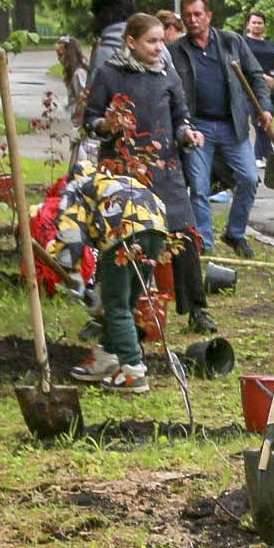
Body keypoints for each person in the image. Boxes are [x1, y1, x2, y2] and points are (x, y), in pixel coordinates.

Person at [82, 13, 215, 334]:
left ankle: (197, 310)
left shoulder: (167, 74)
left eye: (161, 41)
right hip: (122, 170)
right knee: (118, 241)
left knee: (182, 236)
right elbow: (90, 119)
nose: (159, 47)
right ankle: (106, 314)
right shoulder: (109, 74)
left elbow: (181, 118)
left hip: (165, 169)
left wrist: (188, 134)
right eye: (151, 41)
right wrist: (107, 125)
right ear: (131, 41)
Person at [55, 164, 172, 393]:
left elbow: (70, 233)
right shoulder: (116, 181)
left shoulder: (76, 188)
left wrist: (74, 275)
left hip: (122, 233)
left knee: (116, 304)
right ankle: (108, 355)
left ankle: (133, 371)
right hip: (157, 231)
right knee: (127, 301)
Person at [170, 0, 272, 255]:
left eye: (197, 14)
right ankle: (204, 242)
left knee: (249, 179)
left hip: (232, 125)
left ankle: (235, 233)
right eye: (187, 15)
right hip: (197, 127)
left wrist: (265, 108)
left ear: (209, 16)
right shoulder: (176, 51)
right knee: (199, 185)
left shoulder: (231, 42)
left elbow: (256, 76)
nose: (192, 20)